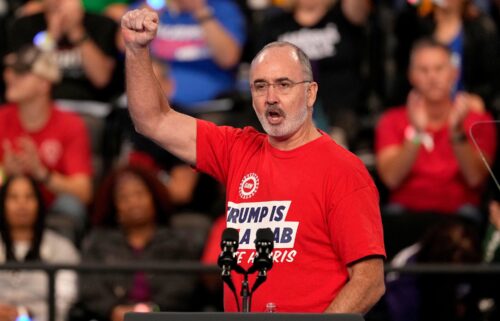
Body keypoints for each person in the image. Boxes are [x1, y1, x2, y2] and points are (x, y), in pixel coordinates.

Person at [121, 8, 386, 313]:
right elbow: (152, 119)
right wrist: (137, 49)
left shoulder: (343, 170)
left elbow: (369, 280)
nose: (270, 96)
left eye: (284, 84)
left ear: (311, 93)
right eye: (260, 86)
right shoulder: (237, 149)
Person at [375, 38, 496, 220]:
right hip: (405, 213)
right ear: (411, 76)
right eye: (424, 70)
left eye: (439, 69)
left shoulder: (479, 121)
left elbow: (475, 178)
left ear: (454, 73)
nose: (432, 77)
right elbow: (391, 179)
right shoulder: (390, 120)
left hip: (460, 213)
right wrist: (417, 133)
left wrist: (457, 132)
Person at [79, 165, 201, 321]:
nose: (133, 202)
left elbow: (184, 287)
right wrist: (113, 311)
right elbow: (90, 287)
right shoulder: (99, 243)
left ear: (154, 198)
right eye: (124, 197)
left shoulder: (178, 243)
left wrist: (154, 311)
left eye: (140, 194)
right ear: (114, 206)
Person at [0, 45, 93, 229]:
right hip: (7, 207)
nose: (9, 76)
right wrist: (5, 173)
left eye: (21, 73)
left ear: (44, 84)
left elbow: (84, 192)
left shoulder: (70, 124)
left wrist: (42, 173)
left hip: (51, 208)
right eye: (10, 71)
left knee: (71, 207)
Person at [255, 0, 372, 147]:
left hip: (341, 110)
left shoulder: (344, 19)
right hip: (289, 107)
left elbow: (359, 11)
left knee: (333, 142)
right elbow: (261, 70)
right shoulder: (274, 25)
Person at [6, 0, 122, 103]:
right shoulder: (23, 25)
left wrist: (76, 32)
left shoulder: (101, 24)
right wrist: (52, 36)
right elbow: (22, 73)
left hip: (88, 107)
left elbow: (101, 79)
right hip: (41, 106)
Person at [0, 174, 80, 321]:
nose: (22, 204)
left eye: (29, 197)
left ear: (39, 203)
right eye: (13, 198)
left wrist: (23, 314)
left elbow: (64, 300)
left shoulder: (62, 248)